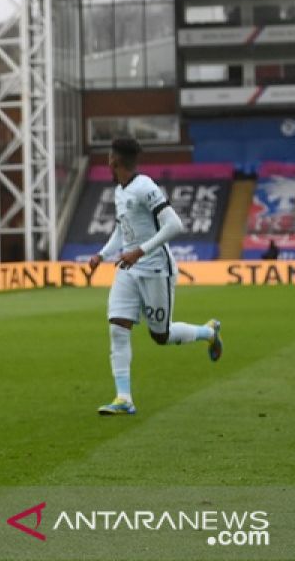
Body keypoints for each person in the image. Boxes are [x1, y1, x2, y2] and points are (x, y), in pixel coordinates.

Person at [87, 137, 222, 417]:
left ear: (115, 160)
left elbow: (175, 224)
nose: (107, 162)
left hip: (156, 268)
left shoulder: (145, 187)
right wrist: (102, 254)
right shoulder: (120, 191)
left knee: (161, 335)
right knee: (117, 328)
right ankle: (124, 397)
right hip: (128, 269)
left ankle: (208, 333)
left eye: (109, 158)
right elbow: (121, 229)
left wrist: (140, 251)